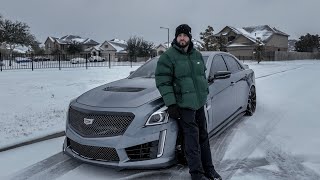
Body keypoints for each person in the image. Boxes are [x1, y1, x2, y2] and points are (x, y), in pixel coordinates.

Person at [155, 24, 222, 180]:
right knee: (191, 140)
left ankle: (209, 169)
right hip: (184, 106)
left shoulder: (197, 55)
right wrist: (171, 104)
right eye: (180, 35)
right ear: (176, 37)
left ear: (190, 37)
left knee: (203, 137)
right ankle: (197, 174)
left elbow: (201, 78)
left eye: (185, 35)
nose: (182, 38)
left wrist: (204, 94)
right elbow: (163, 81)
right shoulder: (168, 56)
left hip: (198, 104)